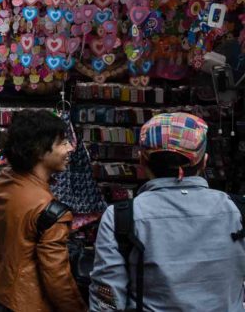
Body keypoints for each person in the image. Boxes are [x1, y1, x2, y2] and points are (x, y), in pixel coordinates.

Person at [90, 113, 245, 311]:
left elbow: (107, 298)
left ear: (141, 161)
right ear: (204, 162)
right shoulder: (238, 210)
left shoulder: (121, 216)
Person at [0, 110, 85, 312]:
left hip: (9, 293)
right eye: (62, 143)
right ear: (39, 150)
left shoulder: (5, 181)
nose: (70, 148)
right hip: (33, 303)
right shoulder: (49, 212)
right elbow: (58, 279)